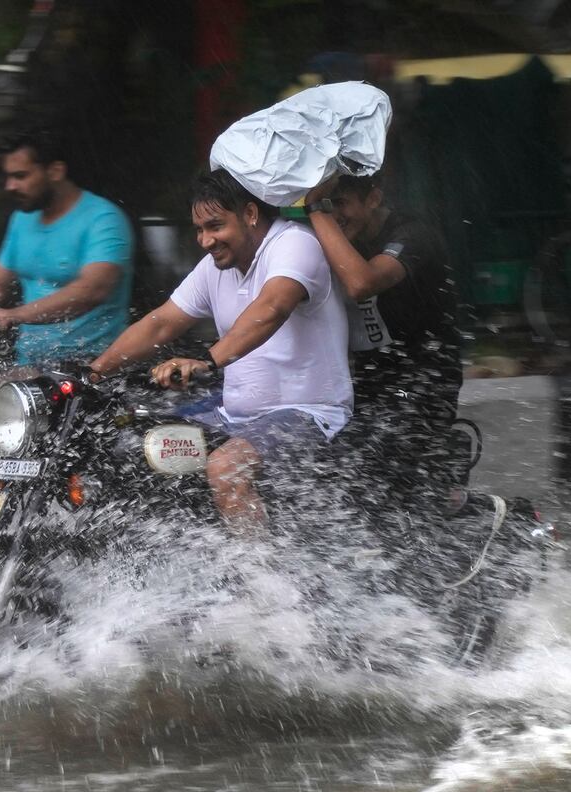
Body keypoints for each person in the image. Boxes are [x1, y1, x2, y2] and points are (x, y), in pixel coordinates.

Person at [88, 168, 352, 532]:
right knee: (137, 451)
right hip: (234, 418)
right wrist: (95, 372)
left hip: (309, 414)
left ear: (250, 214)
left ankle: (263, 583)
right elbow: (161, 323)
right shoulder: (216, 267)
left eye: (215, 226)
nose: (205, 240)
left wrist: (207, 361)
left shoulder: (293, 243)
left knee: (226, 466)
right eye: (199, 230)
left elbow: (271, 308)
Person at [302, 172, 466, 499]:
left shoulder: (413, 234)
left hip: (424, 376)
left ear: (374, 198)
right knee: (360, 480)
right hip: (369, 377)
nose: (333, 215)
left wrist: (315, 209)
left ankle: (507, 516)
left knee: (389, 475)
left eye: (339, 204)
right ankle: (444, 490)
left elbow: (362, 282)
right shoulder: (336, 236)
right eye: (326, 205)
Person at [0, 128, 134, 366]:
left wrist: (12, 315)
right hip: (29, 366)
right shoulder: (22, 218)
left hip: (92, 369)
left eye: (20, 176)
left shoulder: (104, 219)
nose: (9, 186)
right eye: (8, 177)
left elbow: (92, 290)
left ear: (55, 171)